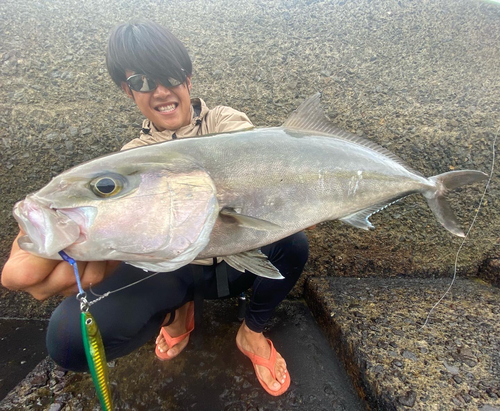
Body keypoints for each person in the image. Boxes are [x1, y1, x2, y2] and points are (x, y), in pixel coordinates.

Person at [1, 20, 309, 396]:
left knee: (293, 243)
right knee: (69, 339)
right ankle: (177, 314)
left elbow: (252, 163)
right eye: (144, 81)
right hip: (176, 271)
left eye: (171, 76)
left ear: (189, 79)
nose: (161, 91)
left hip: (235, 260)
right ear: (128, 90)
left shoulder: (228, 124)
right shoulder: (130, 158)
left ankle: (252, 331)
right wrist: (56, 227)